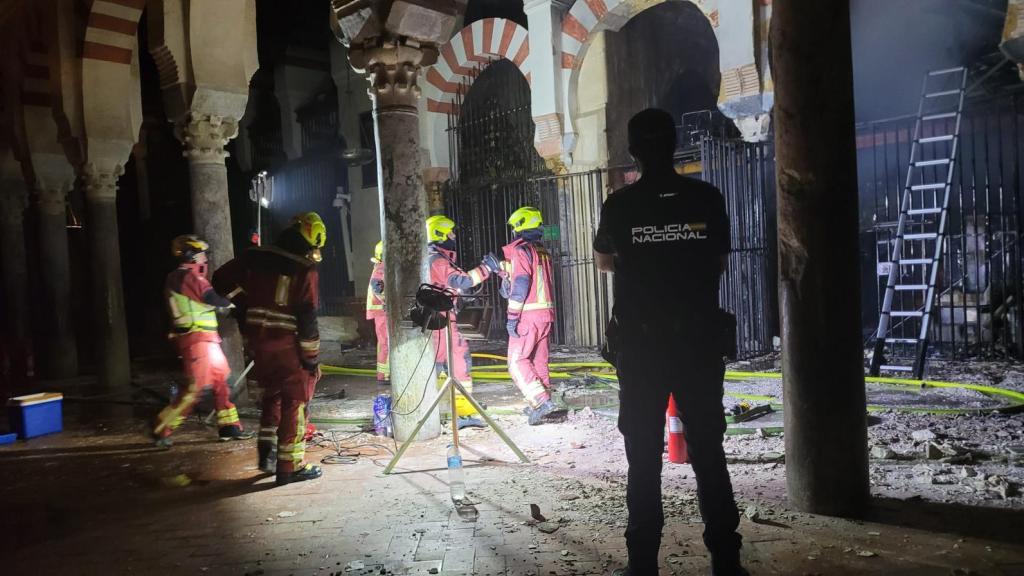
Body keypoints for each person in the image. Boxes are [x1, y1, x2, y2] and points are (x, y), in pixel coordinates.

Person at [593, 108, 746, 576]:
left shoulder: (619, 205)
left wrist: (643, 264)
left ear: (633, 151)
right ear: (676, 144)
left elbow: (603, 262)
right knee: (708, 452)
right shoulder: (706, 197)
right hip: (698, 344)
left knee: (642, 457)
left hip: (641, 350)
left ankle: (643, 565)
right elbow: (718, 262)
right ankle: (725, 561)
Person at [213, 212, 326, 486]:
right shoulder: (304, 268)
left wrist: (244, 305)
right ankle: (290, 466)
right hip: (288, 344)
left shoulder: (254, 256)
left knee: (272, 394)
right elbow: (307, 315)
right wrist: (311, 359)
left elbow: (219, 278)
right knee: (295, 402)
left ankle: (268, 454)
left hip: (257, 342)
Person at [152, 235, 251, 447]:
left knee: (220, 384)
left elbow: (208, 303)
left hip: (207, 340)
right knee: (193, 390)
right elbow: (211, 299)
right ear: (189, 255)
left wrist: (230, 300)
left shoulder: (183, 279)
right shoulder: (186, 277)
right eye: (201, 255)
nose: (204, 259)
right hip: (196, 341)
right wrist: (236, 300)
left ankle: (230, 427)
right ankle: (162, 427)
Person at [425, 215, 500, 429]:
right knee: (459, 365)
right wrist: (486, 269)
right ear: (440, 234)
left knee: (438, 368)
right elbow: (461, 280)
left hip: (437, 320)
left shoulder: (436, 258)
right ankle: (462, 416)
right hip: (443, 323)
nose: (454, 236)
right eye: (450, 232)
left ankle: (442, 414)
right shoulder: (437, 260)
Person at [499, 206, 566, 425]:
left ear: (520, 226)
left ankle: (542, 402)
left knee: (517, 362)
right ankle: (547, 407)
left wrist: (511, 317)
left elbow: (520, 284)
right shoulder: (540, 250)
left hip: (528, 315)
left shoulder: (520, 251)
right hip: (546, 314)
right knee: (538, 362)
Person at [366, 241, 389, 385]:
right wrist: (390, 301)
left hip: (382, 312)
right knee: (386, 342)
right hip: (382, 312)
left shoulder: (381, 267)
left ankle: (386, 374)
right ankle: (384, 375)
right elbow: (378, 289)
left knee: (385, 342)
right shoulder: (381, 269)